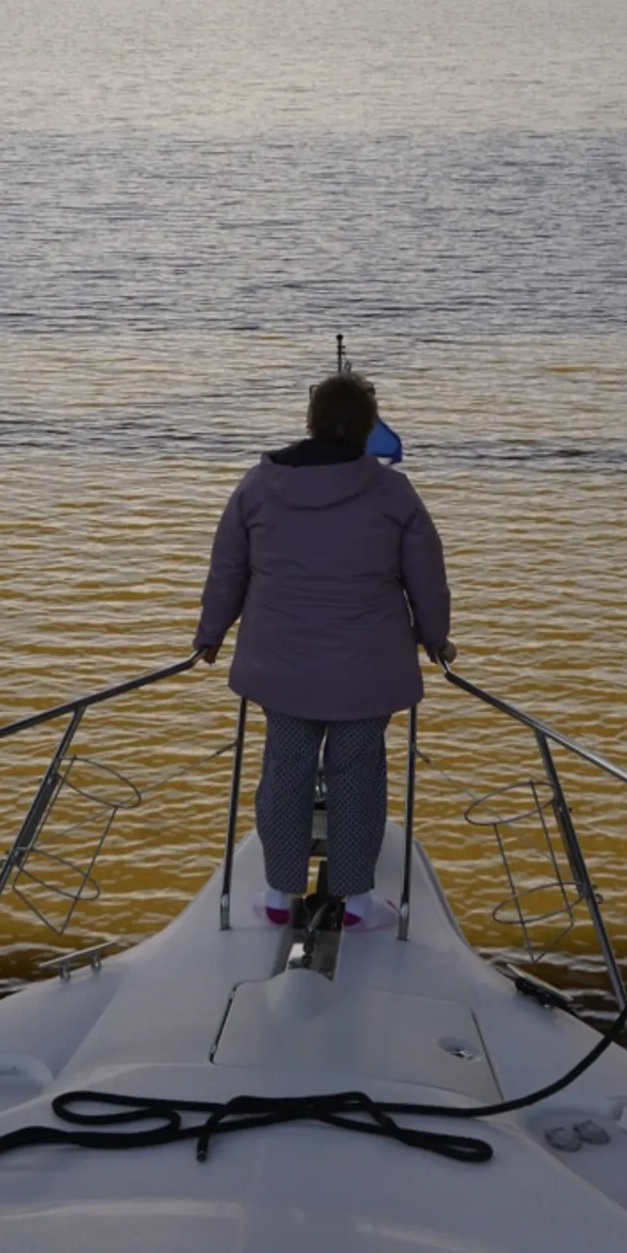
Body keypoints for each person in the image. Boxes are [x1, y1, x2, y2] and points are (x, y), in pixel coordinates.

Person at [193, 368, 452, 932]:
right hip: (367, 669)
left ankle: (281, 894)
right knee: (357, 775)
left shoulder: (259, 486)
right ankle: (355, 904)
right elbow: (427, 578)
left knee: (284, 770)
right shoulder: (392, 493)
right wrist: (436, 637)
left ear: (310, 424)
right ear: (367, 429)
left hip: (280, 665)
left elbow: (227, 569)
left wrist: (210, 634)